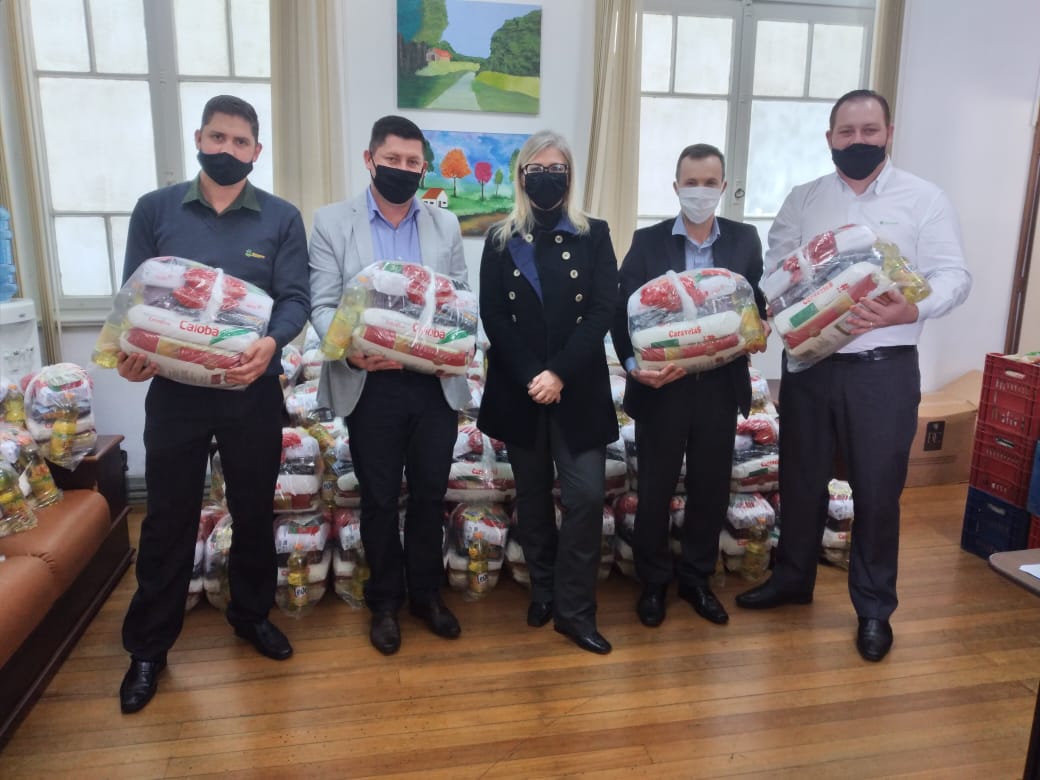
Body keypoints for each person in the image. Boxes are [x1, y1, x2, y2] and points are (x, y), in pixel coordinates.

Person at [736, 89, 972, 662]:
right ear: (830, 138)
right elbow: (776, 271)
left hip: (882, 371)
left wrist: (911, 309)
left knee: (877, 490)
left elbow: (953, 275)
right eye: (847, 132)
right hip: (809, 367)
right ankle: (792, 579)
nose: (858, 141)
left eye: (869, 130)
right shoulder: (805, 199)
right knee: (800, 480)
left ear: (889, 133)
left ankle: (873, 608)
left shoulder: (924, 199)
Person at [117, 95, 310, 713]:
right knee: (168, 518)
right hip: (175, 395)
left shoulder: (281, 217)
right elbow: (135, 298)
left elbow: (295, 299)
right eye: (218, 138)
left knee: (253, 512)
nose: (228, 149)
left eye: (240, 142)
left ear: (257, 151)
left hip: (252, 392)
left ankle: (251, 616)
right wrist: (130, 352)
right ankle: (148, 648)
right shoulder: (156, 209)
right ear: (199, 139)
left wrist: (272, 342)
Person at [309, 115, 468, 656]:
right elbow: (321, 303)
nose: (402, 169)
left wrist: (459, 347)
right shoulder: (333, 222)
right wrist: (347, 348)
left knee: (429, 495)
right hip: (369, 383)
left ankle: (426, 595)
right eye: (392, 159)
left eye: (412, 162)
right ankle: (384, 603)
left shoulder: (445, 225)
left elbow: (459, 299)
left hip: (433, 385)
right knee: (378, 499)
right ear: (370, 160)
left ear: (424, 167)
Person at [611, 143, 766, 629]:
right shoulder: (648, 241)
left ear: (723, 187)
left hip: (720, 386)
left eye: (709, 183)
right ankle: (653, 582)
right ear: (676, 186)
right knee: (655, 488)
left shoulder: (745, 240)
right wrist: (633, 364)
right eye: (691, 183)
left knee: (710, 487)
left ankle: (697, 579)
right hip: (663, 388)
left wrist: (758, 327)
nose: (700, 191)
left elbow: (754, 304)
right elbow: (621, 312)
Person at [477, 130, 619, 655]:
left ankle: (575, 611)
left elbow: (602, 310)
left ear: (570, 175)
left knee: (585, 497)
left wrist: (557, 373)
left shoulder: (594, 234)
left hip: (577, 386)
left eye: (556, 168)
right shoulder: (500, 238)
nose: (546, 177)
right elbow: (494, 315)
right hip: (521, 388)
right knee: (533, 497)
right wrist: (533, 376)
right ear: (521, 177)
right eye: (536, 169)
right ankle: (543, 590)